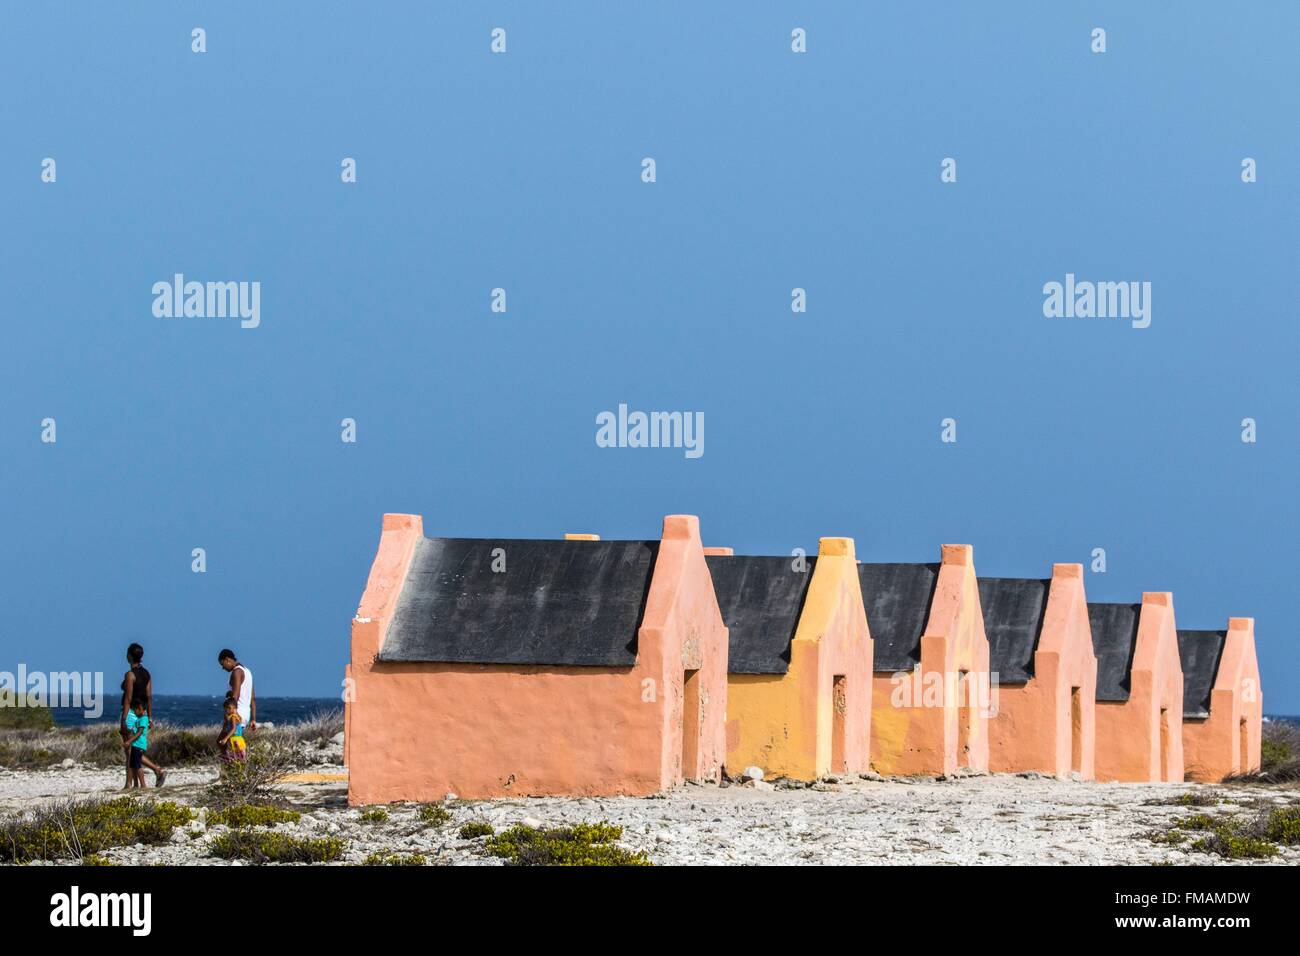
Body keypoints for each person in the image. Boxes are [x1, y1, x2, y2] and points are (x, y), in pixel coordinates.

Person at [119, 643, 166, 788]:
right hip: (143, 712)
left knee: (130, 750)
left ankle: (130, 783)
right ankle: (140, 781)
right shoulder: (147, 674)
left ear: (129, 656)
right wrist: (150, 717)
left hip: (132, 712)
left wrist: (124, 719)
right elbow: (149, 697)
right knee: (135, 749)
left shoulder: (130, 675)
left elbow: (128, 698)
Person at [218, 649, 256, 733]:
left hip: (236, 715)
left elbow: (235, 697)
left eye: (222, 664)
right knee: (232, 743)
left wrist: (228, 716)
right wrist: (253, 719)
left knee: (225, 742)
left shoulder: (237, 672)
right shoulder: (248, 671)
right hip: (246, 715)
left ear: (227, 660)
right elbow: (252, 698)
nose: (222, 668)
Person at [123, 701, 150, 789]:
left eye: (136, 710)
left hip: (139, 745)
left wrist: (129, 741)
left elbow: (139, 732)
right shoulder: (139, 719)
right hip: (135, 745)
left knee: (137, 765)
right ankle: (136, 784)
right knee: (133, 765)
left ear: (141, 710)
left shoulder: (143, 719)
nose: (134, 712)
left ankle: (143, 785)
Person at [217, 696, 247, 764]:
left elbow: (234, 729)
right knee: (238, 758)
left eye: (226, 709)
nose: (225, 710)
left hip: (236, 740)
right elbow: (225, 729)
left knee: (238, 758)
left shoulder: (233, 717)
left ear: (232, 709)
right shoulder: (232, 717)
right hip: (235, 740)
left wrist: (225, 739)